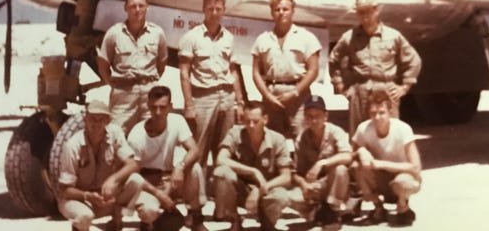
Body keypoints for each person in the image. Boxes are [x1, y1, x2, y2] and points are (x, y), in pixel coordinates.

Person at [329, 0, 422, 135]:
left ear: (377, 10)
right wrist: (341, 86)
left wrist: (404, 87)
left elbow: (414, 61)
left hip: (386, 91)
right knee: (360, 137)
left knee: (389, 136)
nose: (364, 16)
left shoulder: (393, 36)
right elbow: (333, 60)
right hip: (360, 94)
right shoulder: (349, 37)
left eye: (368, 11)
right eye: (360, 12)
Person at [179, 0, 245, 168]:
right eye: (210, 9)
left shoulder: (229, 38)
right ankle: (197, 193)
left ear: (224, 10)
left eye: (218, 9)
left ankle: (220, 192)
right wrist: (189, 105)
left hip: (227, 97)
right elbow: (184, 73)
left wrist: (239, 102)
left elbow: (233, 71)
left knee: (225, 147)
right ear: (203, 9)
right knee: (199, 148)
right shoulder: (191, 37)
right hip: (203, 98)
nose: (214, 13)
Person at [128, 85, 207, 231]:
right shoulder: (137, 134)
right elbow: (133, 172)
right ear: (148, 106)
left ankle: (196, 218)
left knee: (194, 168)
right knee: (148, 211)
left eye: (162, 107)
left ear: (170, 107)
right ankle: (149, 223)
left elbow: (195, 150)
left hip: (171, 177)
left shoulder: (177, 121)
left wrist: (180, 167)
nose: (158, 112)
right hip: (148, 181)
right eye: (153, 107)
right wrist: (159, 194)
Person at [56, 100, 144, 231]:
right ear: (85, 119)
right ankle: (79, 227)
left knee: (137, 181)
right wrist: (86, 196)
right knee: (84, 216)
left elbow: (133, 164)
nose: (96, 123)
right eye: (92, 119)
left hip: (104, 197)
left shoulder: (115, 133)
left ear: (108, 121)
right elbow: (65, 190)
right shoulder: (72, 146)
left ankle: (117, 216)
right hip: (78, 198)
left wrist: (113, 179)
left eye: (101, 119)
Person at [213, 101, 293, 231]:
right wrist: (253, 171)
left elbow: (286, 177)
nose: (251, 125)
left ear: (265, 119)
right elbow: (220, 160)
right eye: (247, 121)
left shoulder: (277, 139)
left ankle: (267, 222)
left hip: (266, 190)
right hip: (241, 189)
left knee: (281, 196)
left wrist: (261, 188)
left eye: (255, 121)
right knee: (221, 173)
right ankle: (234, 220)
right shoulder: (235, 133)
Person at [98, 0, 168, 134]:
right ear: (125, 8)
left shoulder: (157, 33)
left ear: (147, 7)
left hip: (149, 94)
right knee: (117, 135)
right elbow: (103, 65)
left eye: (141, 6)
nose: (137, 10)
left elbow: (161, 64)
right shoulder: (114, 34)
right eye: (132, 6)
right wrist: (116, 84)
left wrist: (148, 82)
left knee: (150, 135)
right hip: (123, 94)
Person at [251, 0, 321, 138]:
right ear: (272, 13)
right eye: (277, 10)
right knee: (272, 139)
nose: (281, 13)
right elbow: (256, 72)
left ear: (293, 11)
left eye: (285, 9)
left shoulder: (306, 37)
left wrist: (294, 92)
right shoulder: (262, 39)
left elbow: (313, 70)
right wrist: (267, 95)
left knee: (302, 137)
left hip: (298, 95)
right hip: (272, 95)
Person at [352, 89, 422, 227]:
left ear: (390, 112)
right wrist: (360, 151)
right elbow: (351, 154)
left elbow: (415, 167)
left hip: (400, 176)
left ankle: (403, 207)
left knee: (404, 183)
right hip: (379, 178)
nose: (377, 117)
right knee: (357, 167)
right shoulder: (363, 129)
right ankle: (378, 207)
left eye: (382, 113)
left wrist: (381, 164)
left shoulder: (403, 129)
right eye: (373, 113)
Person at [288, 95, 353, 230]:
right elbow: (296, 172)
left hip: (335, 183)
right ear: (305, 118)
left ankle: (333, 212)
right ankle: (319, 210)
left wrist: (321, 163)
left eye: (317, 115)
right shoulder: (302, 138)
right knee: (290, 198)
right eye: (310, 116)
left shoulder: (335, 132)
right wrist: (304, 184)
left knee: (340, 169)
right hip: (316, 185)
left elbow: (347, 156)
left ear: (326, 116)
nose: (314, 120)